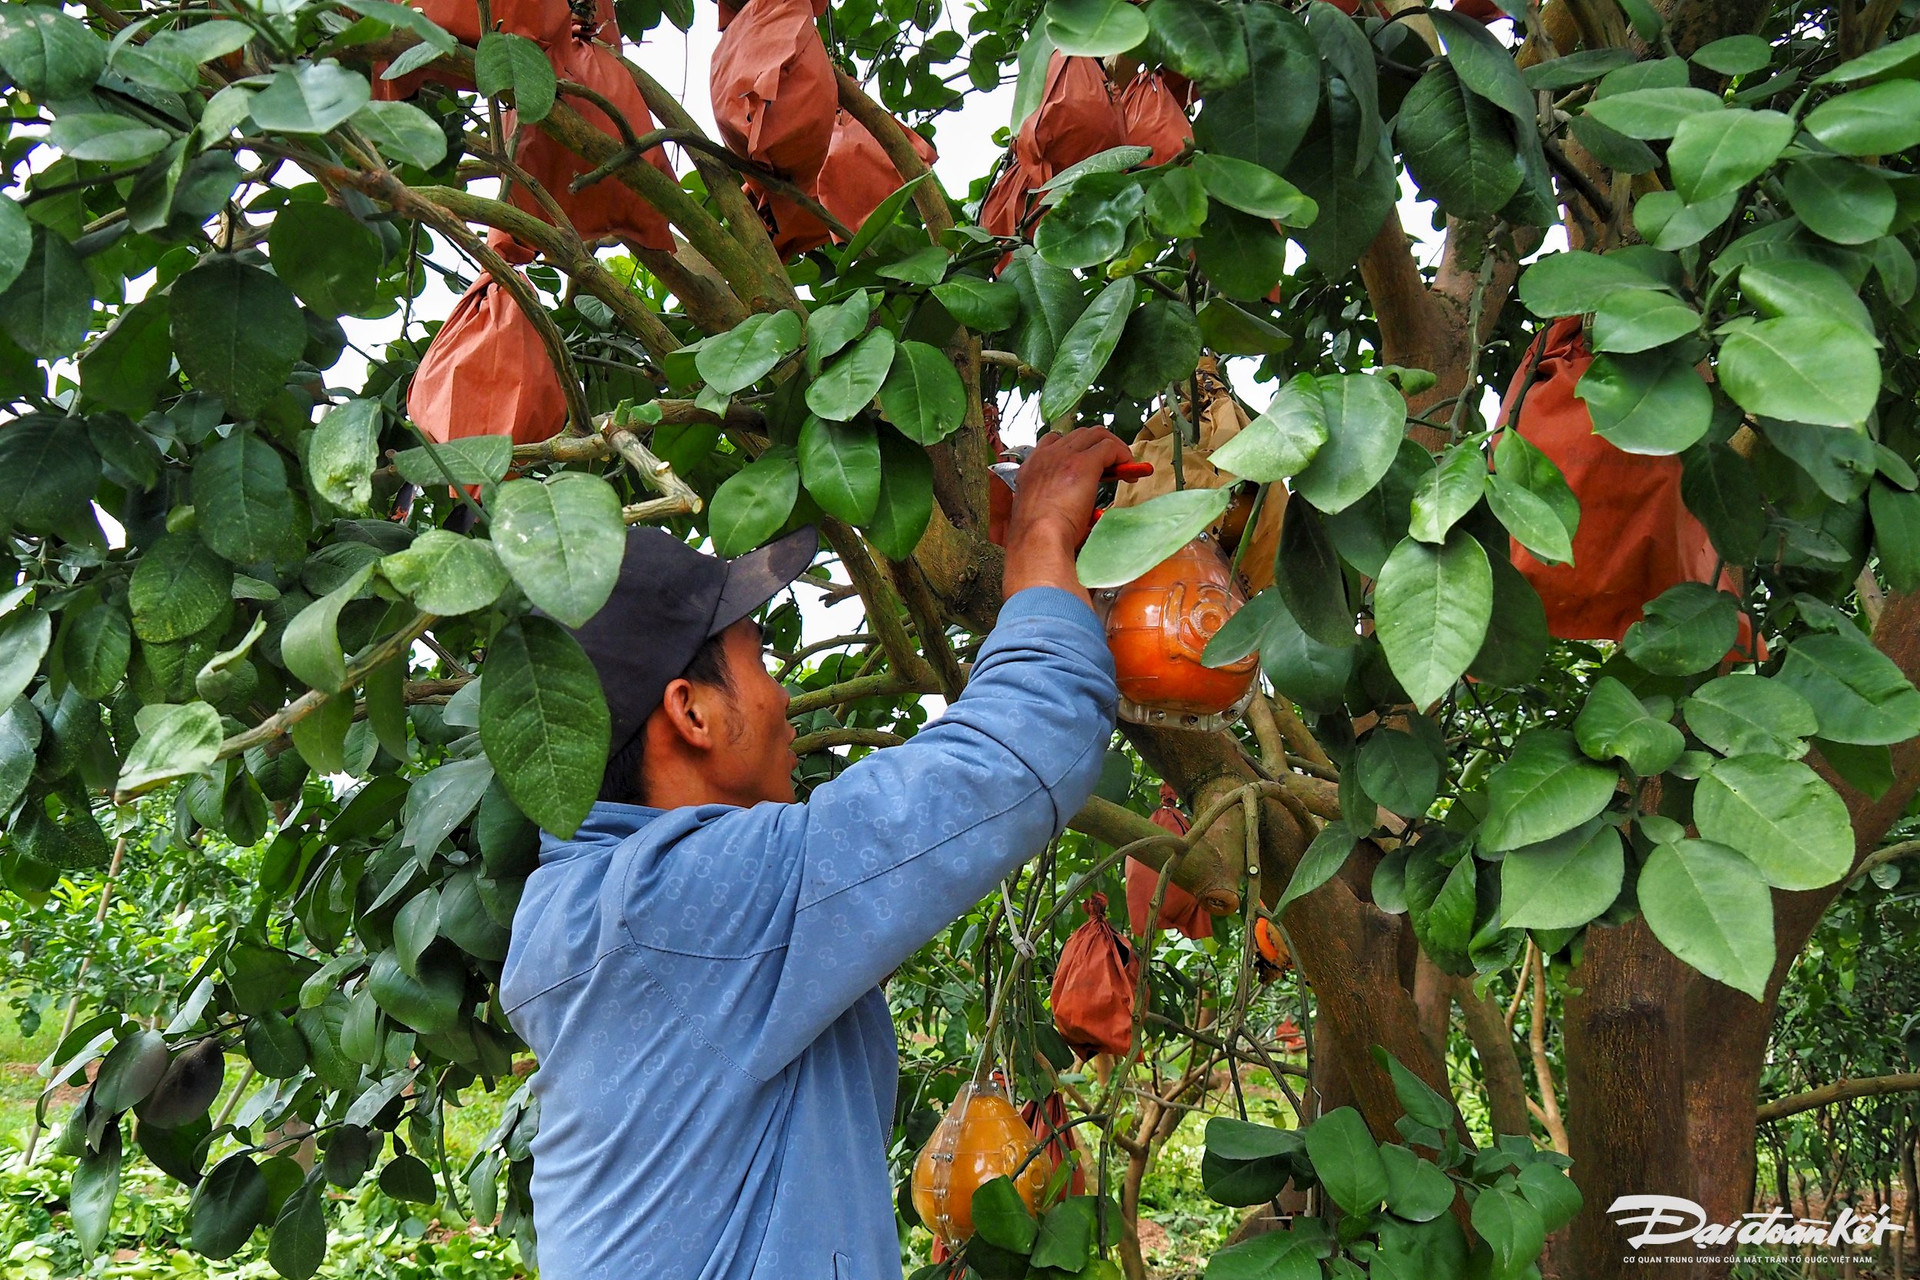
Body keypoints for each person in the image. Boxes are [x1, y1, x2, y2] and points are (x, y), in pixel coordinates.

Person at [500, 426, 1137, 1279]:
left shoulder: (592, 906)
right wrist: (1042, 535)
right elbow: (1023, 747)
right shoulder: (684, 902)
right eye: (760, 662)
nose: (784, 695)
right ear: (691, 714)